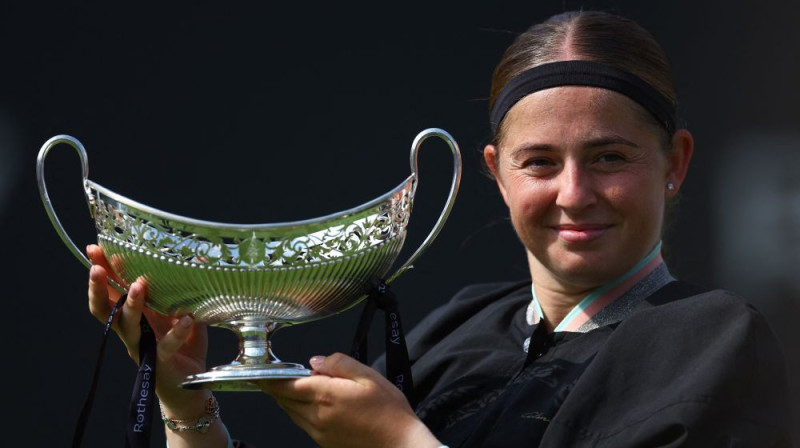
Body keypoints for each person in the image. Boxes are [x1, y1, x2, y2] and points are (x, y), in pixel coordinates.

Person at [87, 9, 793, 448]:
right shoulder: (455, 333)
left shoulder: (717, 341)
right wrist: (186, 399)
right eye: (540, 162)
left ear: (675, 162)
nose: (574, 193)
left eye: (610, 157)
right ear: (496, 171)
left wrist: (398, 443)